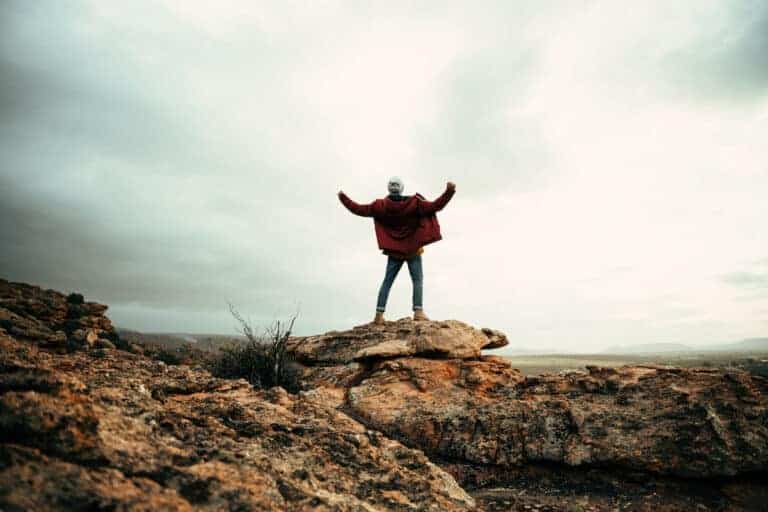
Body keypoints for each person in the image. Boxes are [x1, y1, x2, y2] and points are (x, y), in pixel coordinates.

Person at [338, 177, 456, 324]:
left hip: (394, 252)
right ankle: (418, 312)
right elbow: (436, 206)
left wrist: (343, 198)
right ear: (401, 188)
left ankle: (378, 316)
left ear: (389, 188)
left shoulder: (380, 206)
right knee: (417, 281)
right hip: (413, 249)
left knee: (387, 282)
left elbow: (357, 209)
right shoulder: (415, 203)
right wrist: (449, 192)